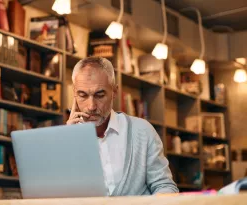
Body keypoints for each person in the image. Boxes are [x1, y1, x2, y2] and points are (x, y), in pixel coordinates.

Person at [66, 56, 178, 196]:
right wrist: (67, 143)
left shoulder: (142, 131)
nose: (91, 106)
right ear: (74, 94)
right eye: (82, 95)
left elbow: (164, 186)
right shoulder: (66, 141)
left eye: (100, 95)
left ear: (114, 92)